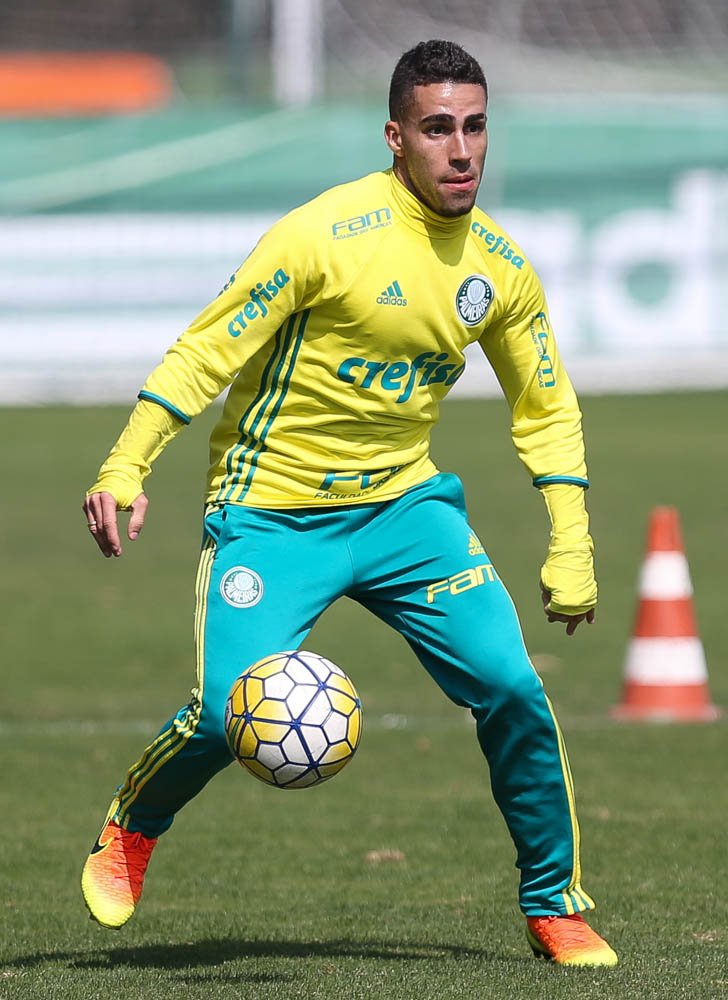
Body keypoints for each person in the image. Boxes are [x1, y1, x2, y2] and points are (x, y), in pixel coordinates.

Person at [81, 39, 617, 967]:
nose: (462, 149)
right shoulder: (325, 234)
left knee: (513, 688)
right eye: (438, 128)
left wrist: (571, 540)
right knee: (221, 715)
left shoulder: (500, 269)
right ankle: (133, 827)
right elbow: (206, 350)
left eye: (475, 127)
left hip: (406, 510)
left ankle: (553, 903)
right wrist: (127, 464)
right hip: (272, 511)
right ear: (396, 138)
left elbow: (546, 406)